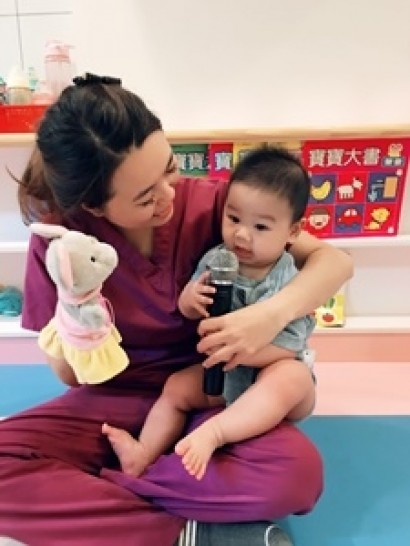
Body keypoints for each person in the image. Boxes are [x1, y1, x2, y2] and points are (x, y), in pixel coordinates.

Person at [0, 73, 353, 546]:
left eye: (169, 169)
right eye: (145, 197)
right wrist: (77, 304)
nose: (169, 195)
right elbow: (71, 376)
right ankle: (195, 530)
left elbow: (335, 262)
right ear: (94, 208)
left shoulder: (217, 207)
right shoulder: (61, 242)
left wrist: (267, 317)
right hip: (110, 400)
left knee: (296, 476)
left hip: (207, 393)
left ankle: (109, 493)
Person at [102, 146, 317, 481]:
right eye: (233, 219)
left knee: (293, 377)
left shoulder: (288, 277)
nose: (241, 234)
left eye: (261, 227)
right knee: (176, 387)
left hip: (270, 376)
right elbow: (190, 306)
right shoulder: (217, 259)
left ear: (292, 232)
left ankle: (215, 432)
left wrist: (243, 350)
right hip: (223, 375)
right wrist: (190, 300)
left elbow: (290, 344)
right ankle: (142, 454)